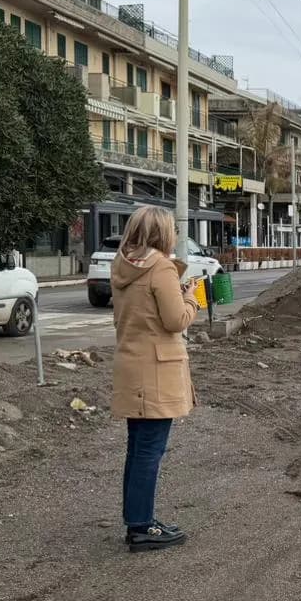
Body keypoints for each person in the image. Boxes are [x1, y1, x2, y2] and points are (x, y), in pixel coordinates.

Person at [110, 205, 199, 551]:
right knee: (149, 450)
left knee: (137, 449)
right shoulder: (160, 267)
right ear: (162, 233)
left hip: (132, 365)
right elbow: (175, 320)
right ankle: (142, 527)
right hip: (156, 370)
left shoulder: (123, 264)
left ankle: (138, 520)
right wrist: (190, 298)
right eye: (172, 230)